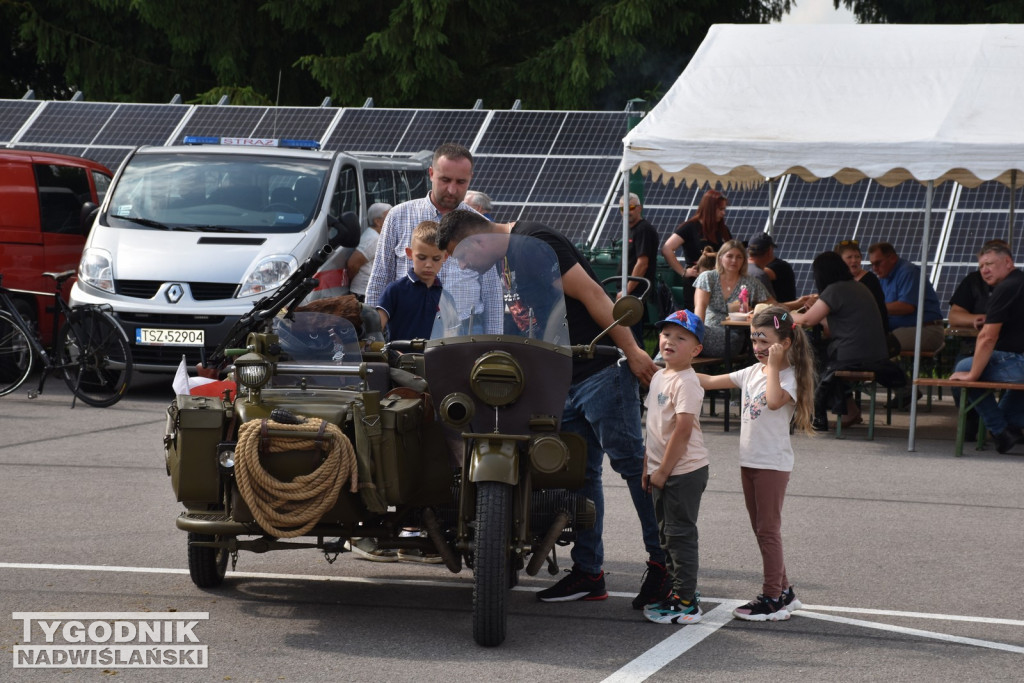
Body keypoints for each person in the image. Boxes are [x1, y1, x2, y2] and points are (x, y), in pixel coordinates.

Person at [436, 209, 668, 609]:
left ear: (476, 241)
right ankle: (589, 572)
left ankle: (665, 567)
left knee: (633, 466)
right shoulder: (510, 257)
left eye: (460, 256)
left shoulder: (533, 242)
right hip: (564, 376)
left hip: (599, 371)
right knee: (580, 475)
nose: (462, 265)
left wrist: (632, 353)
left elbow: (594, 294)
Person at [697, 305, 816, 621]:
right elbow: (708, 382)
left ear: (785, 343)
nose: (759, 348)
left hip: (772, 465)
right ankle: (785, 591)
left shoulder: (789, 377)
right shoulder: (751, 371)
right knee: (762, 529)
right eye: (754, 341)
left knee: (768, 530)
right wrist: (670, 371)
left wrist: (774, 367)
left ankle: (772, 597)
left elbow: (775, 401)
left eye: (765, 341)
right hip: (749, 461)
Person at [365, 143, 502, 336]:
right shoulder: (398, 216)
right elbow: (379, 278)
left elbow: (492, 293)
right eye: (445, 180)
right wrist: (371, 336)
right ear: (431, 174)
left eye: (460, 182)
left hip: (466, 331)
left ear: (471, 178)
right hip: (408, 329)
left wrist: (494, 343)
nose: (452, 190)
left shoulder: (481, 227)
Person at [641, 310, 709, 625]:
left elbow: (682, 432)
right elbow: (653, 427)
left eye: (681, 338)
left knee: (680, 534)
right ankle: (678, 592)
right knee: (666, 535)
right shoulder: (659, 375)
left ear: (696, 351)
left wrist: (663, 472)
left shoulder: (688, 382)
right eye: (667, 334)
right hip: (661, 469)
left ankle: (686, 601)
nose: (670, 341)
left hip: (683, 472)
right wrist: (647, 467)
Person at [793, 252, 905, 432]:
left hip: (853, 355)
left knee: (812, 354)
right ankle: (848, 410)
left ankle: (817, 413)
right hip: (874, 352)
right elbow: (833, 327)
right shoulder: (856, 286)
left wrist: (782, 315)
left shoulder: (835, 290)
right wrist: (816, 313)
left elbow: (806, 321)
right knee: (823, 353)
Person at [949, 241, 1024, 454]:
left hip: (1019, 363)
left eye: (989, 264)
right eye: (981, 266)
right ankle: (1006, 429)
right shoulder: (1020, 283)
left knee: (964, 366)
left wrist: (972, 374)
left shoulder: (1006, 289)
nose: (984, 270)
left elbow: (988, 337)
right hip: (1018, 359)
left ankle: (999, 431)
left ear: (1008, 262)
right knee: (1007, 411)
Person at [692, 240, 772, 358]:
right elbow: (700, 307)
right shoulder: (708, 277)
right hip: (706, 330)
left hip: (732, 336)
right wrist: (697, 332)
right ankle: (661, 364)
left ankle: (664, 364)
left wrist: (798, 304)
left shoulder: (751, 282)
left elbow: (772, 305)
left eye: (739, 257)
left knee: (683, 338)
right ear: (720, 258)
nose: (734, 260)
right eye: (729, 256)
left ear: (744, 261)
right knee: (682, 332)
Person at [866, 242, 944, 354]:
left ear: (892, 258)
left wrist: (873, 307)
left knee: (877, 346)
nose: (874, 268)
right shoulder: (883, 278)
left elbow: (906, 307)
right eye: (872, 265)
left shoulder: (908, 272)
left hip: (925, 329)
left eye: (878, 263)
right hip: (903, 329)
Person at [376, 221, 445, 342]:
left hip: (436, 359)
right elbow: (376, 329)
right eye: (422, 258)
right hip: (400, 359)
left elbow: (451, 334)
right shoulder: (395, 290)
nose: (428, 265)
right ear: (409, 253)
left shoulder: (446, 297)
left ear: (445, 257)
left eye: (436, 259)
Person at [619, 192, 660, 346]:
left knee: (633, 339)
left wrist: (626, 290)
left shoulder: (644, 229)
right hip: (631, 291)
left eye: (630, 207)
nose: (626, 211)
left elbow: (642, 263)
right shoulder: (631, 229)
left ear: (639, 208)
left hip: (635, 292)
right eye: (622, 208)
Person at [661, 189, 732, 280]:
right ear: (710, 208)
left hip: (719, 281)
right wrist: (684, 272)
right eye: (720, 209)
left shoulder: (723, 229)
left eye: (724, 209)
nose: (723, 213)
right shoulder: (690, 227)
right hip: (696, 281)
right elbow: (667, 249)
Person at [835, 240, 889, 334]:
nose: (854, 260)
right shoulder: (837, 281)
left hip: (869, 332)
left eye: (857, 257)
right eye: (849, 257)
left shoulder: (870, 280)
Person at [345, 202, 391, 302]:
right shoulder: (373, 239)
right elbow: (352, 264)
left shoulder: (375, 236)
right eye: (389, 217)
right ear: (378, 221)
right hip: (363, 293)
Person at [747, 233, 796, 303]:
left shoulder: (781, 267)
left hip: (783, 313)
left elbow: (756, 274)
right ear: (770, 250)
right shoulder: (752, 269)